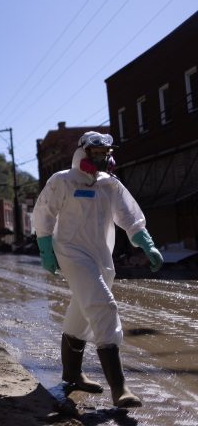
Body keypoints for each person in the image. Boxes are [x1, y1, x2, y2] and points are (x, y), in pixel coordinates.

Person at [33, 131, 163, 408]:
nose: (103, 159)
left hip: (101, 254)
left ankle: (71, 373)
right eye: (97, 154)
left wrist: (146, 244)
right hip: (70, 251)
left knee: (81, 309)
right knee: (103, 305)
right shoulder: (63, 181)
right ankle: (120, 387)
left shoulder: (109, 184)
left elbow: (128, 216)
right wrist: (46, 248)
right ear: (83, 153)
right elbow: (43, 212)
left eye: (106, 154)